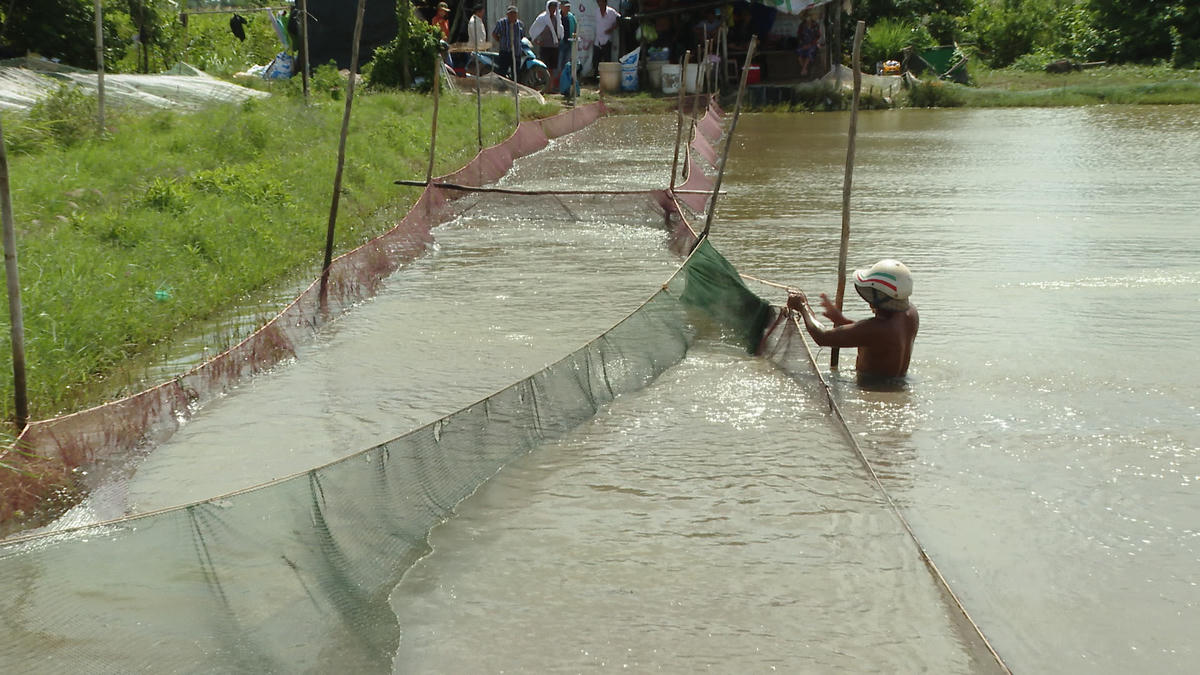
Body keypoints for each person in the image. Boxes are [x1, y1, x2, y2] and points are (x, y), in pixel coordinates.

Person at [786, 259, 919, 379]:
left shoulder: (876, 329)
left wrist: (803, 306)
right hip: (897, 384)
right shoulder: (911, 314)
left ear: (877, 297)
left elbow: (822, 337)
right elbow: (874, 337)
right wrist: (843, 321)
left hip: (871, 388)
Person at [529, 0, 561, 80]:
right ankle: (541, 83)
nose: (553, 9)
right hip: (545, 47)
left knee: (552, 68)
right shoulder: (542, 18)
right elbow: (533, 30)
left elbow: (560, 30)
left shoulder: (557, 18)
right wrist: (536, 41)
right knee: (543, 66)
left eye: (554, 8)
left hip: (554, 46)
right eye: (551, 7)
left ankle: (550, 86)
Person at [492, 5, 525, 79]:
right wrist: (501, 41)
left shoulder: (520, 24)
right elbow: (494, 34)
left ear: (517, 14)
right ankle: (502, 89)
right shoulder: (501, 23)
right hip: (505, 51)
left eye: (514, 13)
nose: (512, 16)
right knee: (502, 72)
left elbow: (522, 36)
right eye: (511, 14)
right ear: (507, 14)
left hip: (516, 52)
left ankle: (514, 88)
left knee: (516, 73)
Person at [592, 0, 620, 74]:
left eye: (602, 2)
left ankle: (607, 77)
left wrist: (611, 29)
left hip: (607, 39)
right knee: (595, 61)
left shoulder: (611, 12)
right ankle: (596, 78)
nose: (600, 4)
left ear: (605, 2)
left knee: (607, 61)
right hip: (598, 40)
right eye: (599, 2)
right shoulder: (596, 12)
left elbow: (620, 20)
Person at [795, 10, 822, 77]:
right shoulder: (802, 25)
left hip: (813, 44)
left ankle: (803, 69)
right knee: (798, 52)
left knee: (809, 52)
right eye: (806, 17)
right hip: (803, 44)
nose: (807, 18)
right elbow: (799, 35)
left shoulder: (815, 25)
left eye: (809, 16)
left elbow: (818, 36)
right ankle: (805, 69)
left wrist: (810, 44)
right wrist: (803, 44)